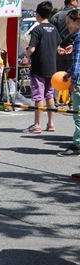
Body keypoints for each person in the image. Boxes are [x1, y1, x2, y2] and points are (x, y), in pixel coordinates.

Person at [22, 1, 61, 134]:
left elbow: (32, 49)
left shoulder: (37, 29)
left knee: (39, 97)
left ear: (37, 15)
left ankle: (37, 124)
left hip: (39, 68)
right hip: (52, 67)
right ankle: (51, 123)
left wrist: (26, 54)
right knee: (49, 96)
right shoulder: (54, 29)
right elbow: (58, 48)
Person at [58, 9, 80, 156]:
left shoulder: (78, 38)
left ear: (78, 22)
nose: (67, 27)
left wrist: (74, 80)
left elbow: (79, 61)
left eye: (68, 23)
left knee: (78, 115)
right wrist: (70, 73)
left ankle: (77, 144)